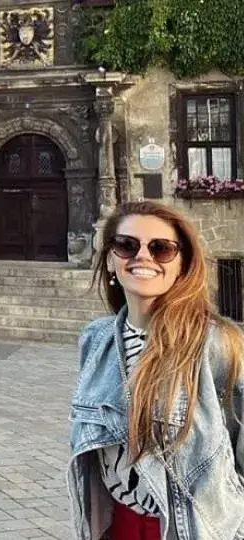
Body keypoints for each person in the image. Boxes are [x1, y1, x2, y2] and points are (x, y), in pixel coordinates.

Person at [67, 201, 244, 540]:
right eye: (126, 245)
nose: (143, 257)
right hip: (118, 525)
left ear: (182, 264)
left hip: (192, 529)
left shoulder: (218, 344)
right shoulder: (97, 339)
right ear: (110, 260)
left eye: (161, 248)